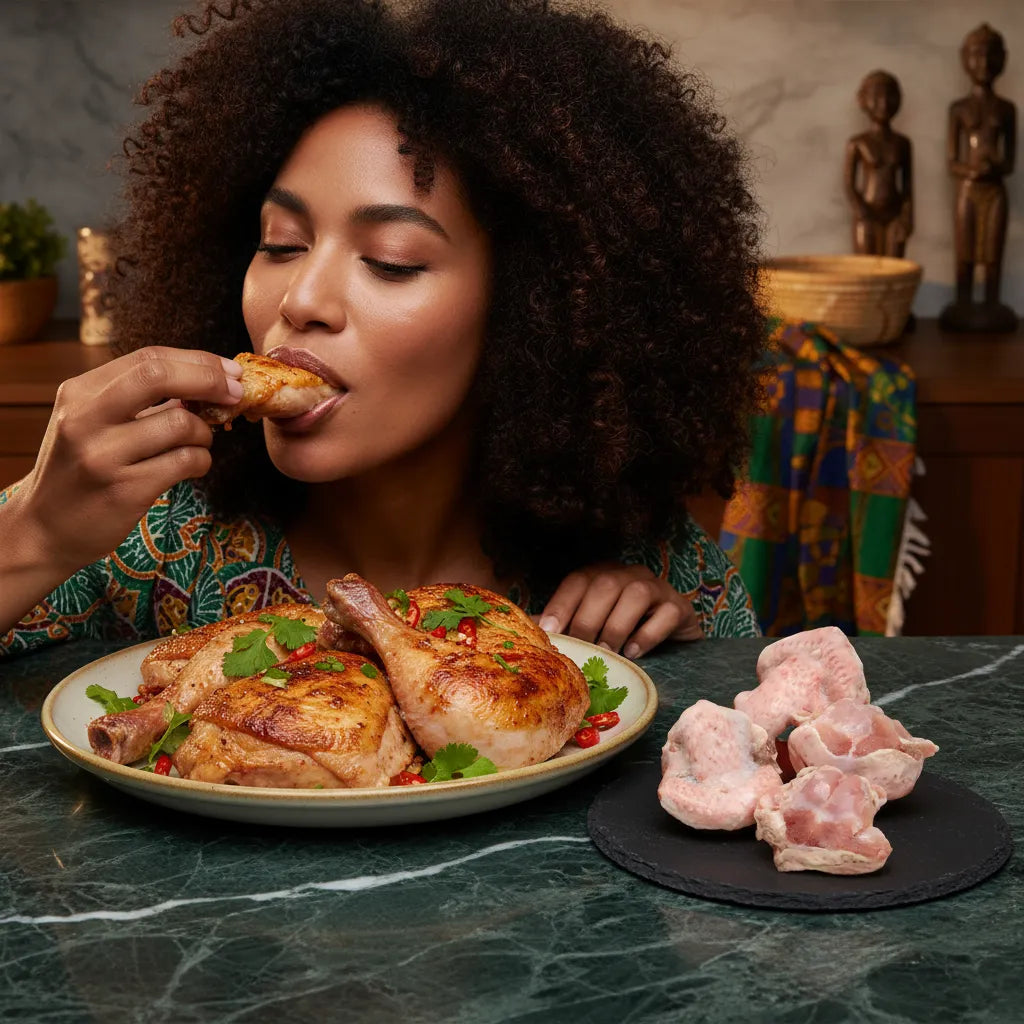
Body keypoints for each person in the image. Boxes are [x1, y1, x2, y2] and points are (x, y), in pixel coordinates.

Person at [0, 0, 766, 663]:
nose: (300, 299)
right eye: (280, 244)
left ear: (537, 310)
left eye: (391, 261)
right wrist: (34, 534)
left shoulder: (643, 569)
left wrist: (670, 667)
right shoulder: (150, 535)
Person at [939, 22, 1017, 332]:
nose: (983, 63)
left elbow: (1010, 161)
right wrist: (971, 170)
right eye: (976, 55)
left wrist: (994, 164)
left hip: (995, 189)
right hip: (967, 189)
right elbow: (951, 160)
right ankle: (963, 300)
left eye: (990, 56)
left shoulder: (1007, 109)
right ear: (964, 59)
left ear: (1002, 59)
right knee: (965, 249)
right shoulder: (958, 109)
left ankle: (992, 301)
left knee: (993, 250)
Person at [844, 70, 913, 258]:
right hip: (867, 215)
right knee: (866, 273)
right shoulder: (858, 143)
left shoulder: (902, 143)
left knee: (895, 273)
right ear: (863, 100)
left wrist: (907, 219)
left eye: (889, 96)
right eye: (876, 97)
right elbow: (849, 185)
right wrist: (861, 210)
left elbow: (907, 187)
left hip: (895, 215)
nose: (883, 103)